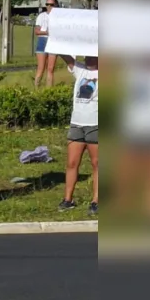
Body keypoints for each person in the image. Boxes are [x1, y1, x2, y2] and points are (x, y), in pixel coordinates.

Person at [56, 54, 99, 216]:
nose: (89, 60)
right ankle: (68, 200)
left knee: (97, 164)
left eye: (93, 57)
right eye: (87, 56)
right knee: (72, 163)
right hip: (77, 124)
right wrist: (56, 39)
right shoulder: (80, 70)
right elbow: (66, 57)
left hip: (96, 124)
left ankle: (96, 200)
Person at [34, 0, 59, 88]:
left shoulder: (59, 17)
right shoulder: (41, 16)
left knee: (50, 69)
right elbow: (37, 31)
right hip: (43, 40)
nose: (49, 6)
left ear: (56, 5)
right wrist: (47, 32)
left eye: (51, 4)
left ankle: (49, 91)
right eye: (47, 4)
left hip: (53, 41)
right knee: (41, 68)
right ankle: (36, 90)